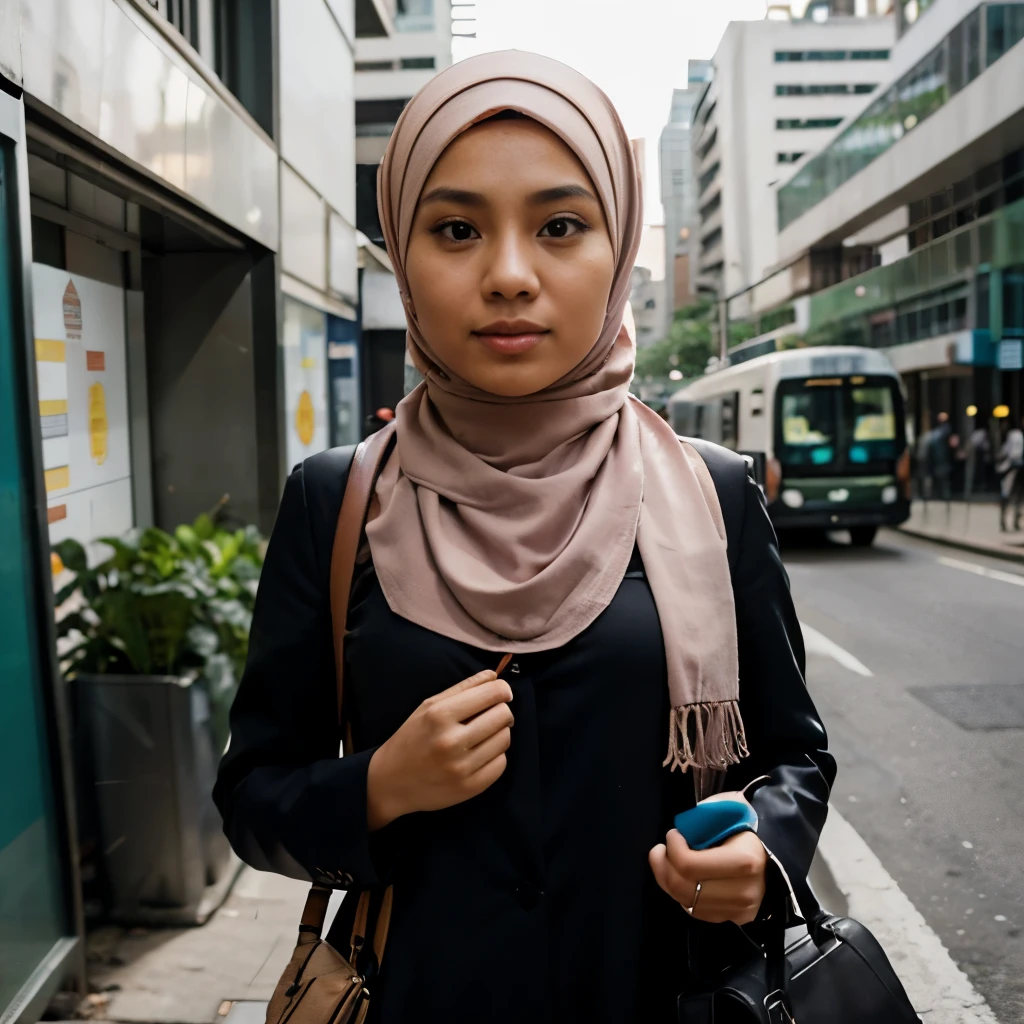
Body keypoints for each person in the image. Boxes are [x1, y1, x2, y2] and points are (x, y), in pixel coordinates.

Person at [214, 52, 835, 1022]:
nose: (508, 275)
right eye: (456, 228)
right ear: (402, 254)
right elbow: (252, 797)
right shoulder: (334, 503)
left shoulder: (713, 494)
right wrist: (375, 785)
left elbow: (793, 755)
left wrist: (765, 853)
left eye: (559, 226)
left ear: (619, 244)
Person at [996, 415, 1024, 531]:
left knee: (1019, 496)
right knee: (1008, 494)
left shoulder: (1015, 435)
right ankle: (1004, 521)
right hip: (1013, 468)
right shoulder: (1015, 435)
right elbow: (1009, 452)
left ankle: (1015, 520)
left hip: (1019, 468)